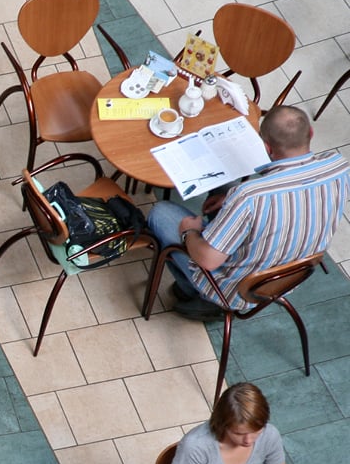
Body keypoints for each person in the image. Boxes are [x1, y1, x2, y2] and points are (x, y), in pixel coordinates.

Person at [147, 105, 350, 321]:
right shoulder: (339, 166)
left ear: (266, 147)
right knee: (228, 188)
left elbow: (207, 260)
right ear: (310, 133)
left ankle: (203, 298)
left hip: (237, 289)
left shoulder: (248, 197)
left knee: (161, 214)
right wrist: (231, 199)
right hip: (286, 278)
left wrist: (189, 232)